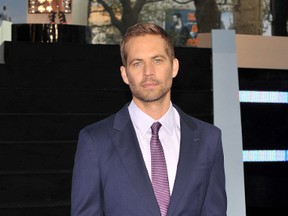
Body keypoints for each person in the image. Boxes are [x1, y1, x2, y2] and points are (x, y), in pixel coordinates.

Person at [71, 23, 227, 216]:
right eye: (137, 63)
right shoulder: (95, 141)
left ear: (174, 67)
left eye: (158, 60)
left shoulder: (209, 139)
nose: (148, 72)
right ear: (124, 74)